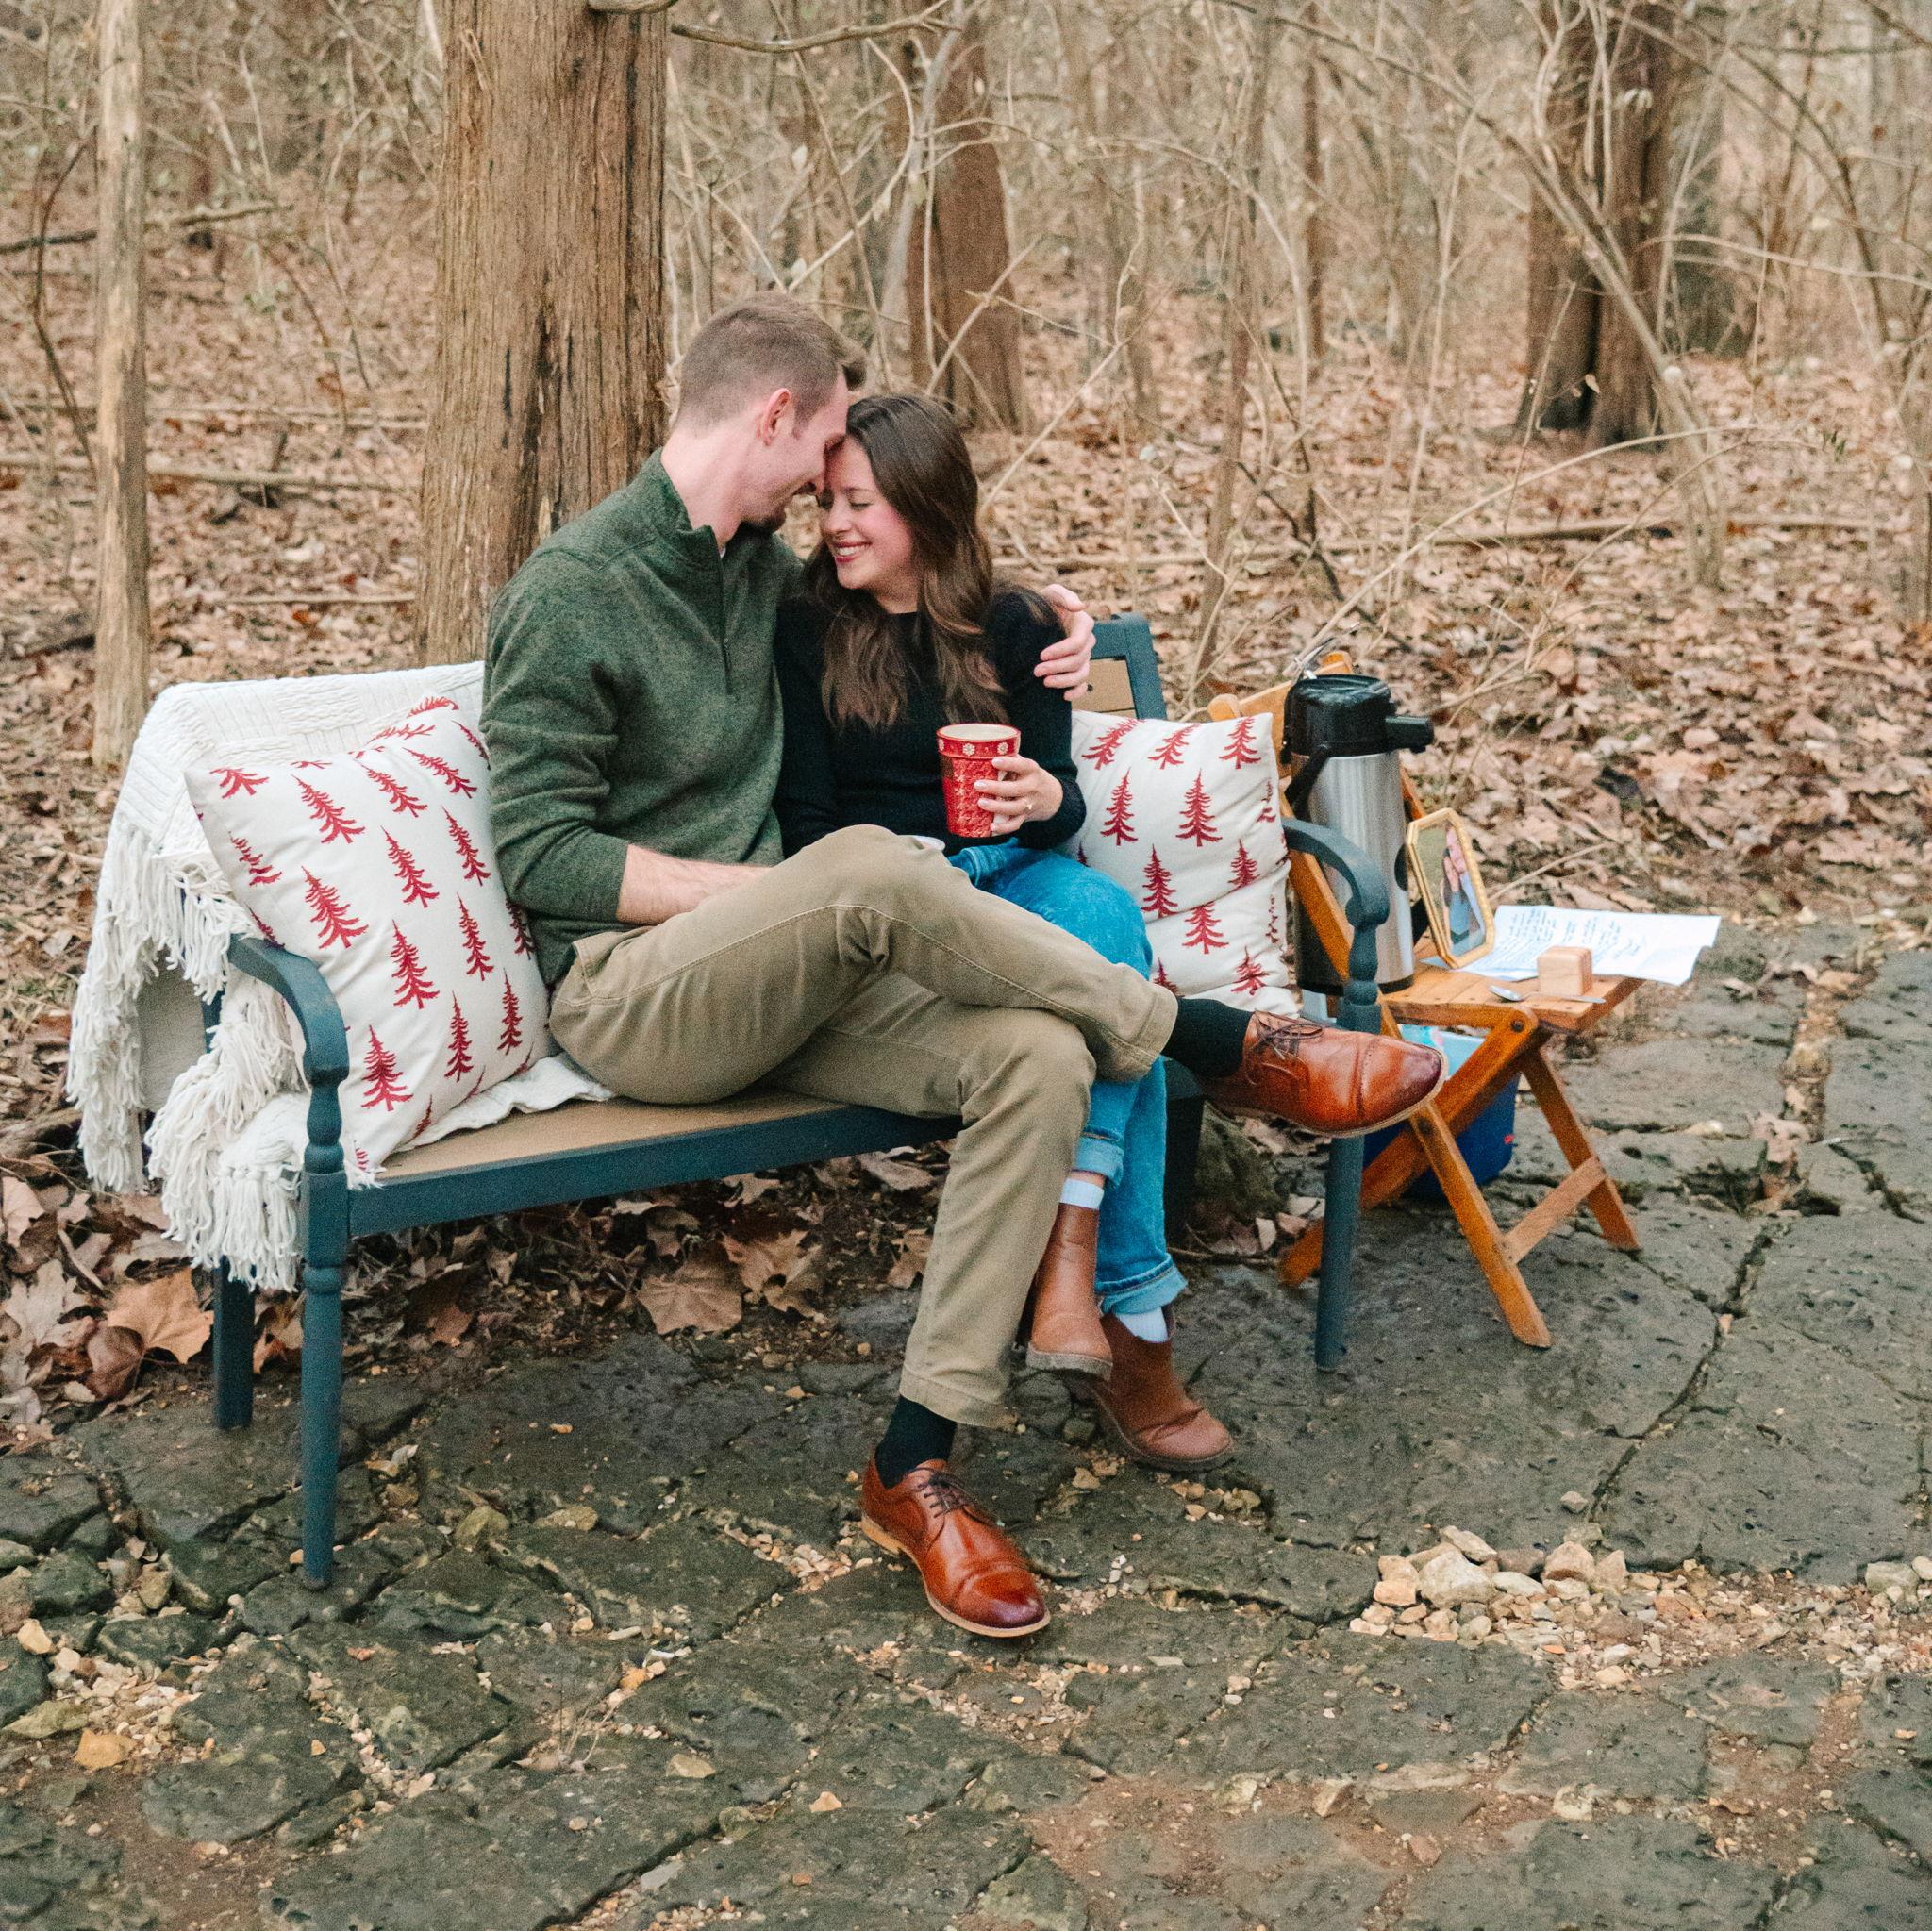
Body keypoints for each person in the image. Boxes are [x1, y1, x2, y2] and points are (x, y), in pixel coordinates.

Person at [482, 291, 1443, 1640]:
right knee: (876, 866)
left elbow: (924, 592)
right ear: (775, 418)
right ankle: (1228, 1044)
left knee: (1040, 1052)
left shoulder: (757, 570)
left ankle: (914, 1459)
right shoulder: (573, 593)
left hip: (795, 981)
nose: (830, 489)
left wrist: (1044, 614)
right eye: (823, 450)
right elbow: (538, 855)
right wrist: (784, 891)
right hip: (641, 994)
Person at [774, 391, 1228, 1477]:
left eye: (862, 505)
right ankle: (1136, 1334)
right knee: (1107, 1014)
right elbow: (805, 827)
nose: (836, 525)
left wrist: (1036, 798)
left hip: (1013, 874)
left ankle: (1068, 1251)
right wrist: (909, 866)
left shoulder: (1017, 628)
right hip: (899, 910)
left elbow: (1065, 804)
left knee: (1101, 920)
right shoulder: (801, 625)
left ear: (929, 509)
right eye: (827, 503)